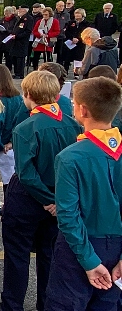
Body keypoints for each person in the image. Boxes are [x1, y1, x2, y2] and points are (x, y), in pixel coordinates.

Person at [0, 71, 82, 311]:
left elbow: (26, 173)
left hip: (29, 199)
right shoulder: (73, 125)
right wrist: (57, 201)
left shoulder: (25, 127)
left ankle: (12, 305)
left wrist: (46, 199)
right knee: (50, 254)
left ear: (28, 95)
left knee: (17, 254)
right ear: (55, 95)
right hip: (60, 198)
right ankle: (46, 304)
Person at [44, 77, 122, 311]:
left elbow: (68, 215)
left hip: (80, 245)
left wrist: (89, 261)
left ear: (82, 109)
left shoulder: (70, 157)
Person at [0, 64, 24, 195]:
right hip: (10, 146)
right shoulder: (18, 99)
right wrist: (11, 141)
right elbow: (21, 123)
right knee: (9, 180)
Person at [63, 8, 91, 75]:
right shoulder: (71, 23)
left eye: (79, 14)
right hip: (70, 43)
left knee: (78, 59)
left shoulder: (86, 24)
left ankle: (77, 73)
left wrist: (78, 39)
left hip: (80, 43)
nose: (77, 15)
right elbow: (67, 32)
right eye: (76, 14)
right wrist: (72, 38)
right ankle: (65, 72)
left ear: (82, 15)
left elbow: (87, 33)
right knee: (67, 58)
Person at [9, 5, 34, 79]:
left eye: (20, 10)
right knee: (15, 57)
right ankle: (16, 72)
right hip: (15, 41)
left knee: (20, 58)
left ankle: (20, 74)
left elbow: (27, 31)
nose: (18, 11)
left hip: (22, 42)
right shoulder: (19, 18)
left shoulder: (28, 19)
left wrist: (17, 36)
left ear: (24, 10)